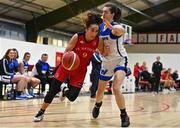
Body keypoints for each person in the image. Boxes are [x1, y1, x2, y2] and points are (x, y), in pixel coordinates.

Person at [34, 12, 104, 122]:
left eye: (96, 31)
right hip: (66, 67)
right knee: (52, 91)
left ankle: (63, 88)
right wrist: (69, 59)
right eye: (92, 30)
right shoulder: (77, 36)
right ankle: (41, 112)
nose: (94, 33)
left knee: (72, 97)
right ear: (86, 28)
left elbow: (104, 53)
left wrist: (108, 47)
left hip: (80, 71)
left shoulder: (98, 40)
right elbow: (66, 52)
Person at [91, 4, 130, 127]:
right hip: (106, 61)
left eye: (106, 12)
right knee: (99, 91)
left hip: (120, 60)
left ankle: (124, 115)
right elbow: (99, 47)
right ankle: (98, 104)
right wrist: (103, 50)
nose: (103, 13)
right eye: (102, 11)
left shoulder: (116, 26)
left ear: (112, 14)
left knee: (116, 88)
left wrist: (111, 27)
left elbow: (121, 31)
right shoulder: (100, 27)